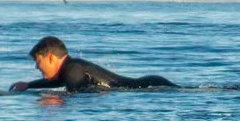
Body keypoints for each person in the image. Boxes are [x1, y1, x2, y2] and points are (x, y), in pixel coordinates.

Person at [11, 36, 175, 91]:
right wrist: (28, 85)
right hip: (150, 84)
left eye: (38, 62)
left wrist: (60, 100)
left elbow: (77, 92)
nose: (36, 67)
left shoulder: (72, 69)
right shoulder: (71, 69)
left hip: (151, 88)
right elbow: (58, 81)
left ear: (51, 58)